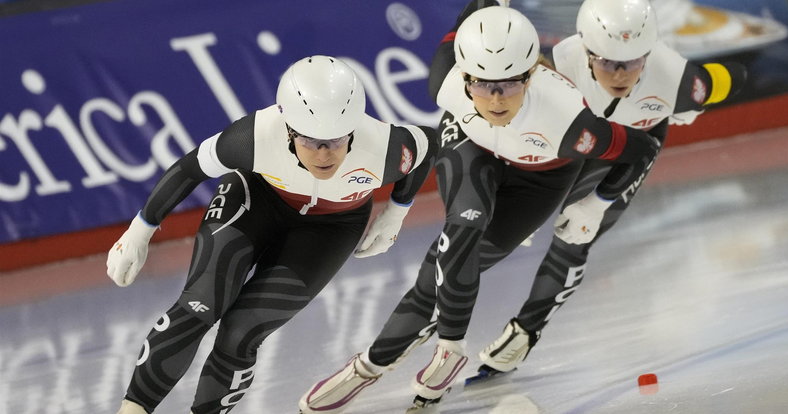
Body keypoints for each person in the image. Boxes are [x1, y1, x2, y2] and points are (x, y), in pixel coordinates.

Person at [298, 2, 665, 412]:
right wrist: (396, 212)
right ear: (464, 75)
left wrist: (595, 204)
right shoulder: (446, 81)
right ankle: (447, 351)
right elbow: (470, 20)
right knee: (461, 230)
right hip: (471, 147)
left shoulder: (570, 122)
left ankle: (371, 363)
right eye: (481, 84)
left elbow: (643, 150)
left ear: (530, 76)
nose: (493, 99)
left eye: (508, 84)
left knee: (432, 279)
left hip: (539, 179)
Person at [106, 55, 438, 414]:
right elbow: (189, 169)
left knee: (242, 331)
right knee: (200, 304)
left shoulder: (385, 147)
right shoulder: (254, 136)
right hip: (255, 200)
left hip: (331, 228)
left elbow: (430, 146)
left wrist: (396, 213)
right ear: (290, 129)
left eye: (337, 141)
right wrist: (139, 231)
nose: (325, 155)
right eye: (312, 141)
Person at [474, 0, 747, 380]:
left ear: (649, 53)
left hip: (631, 149)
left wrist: (598, 204)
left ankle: (525, 331)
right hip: (573, 142)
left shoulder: (679, 81)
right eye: (605, 62)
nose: (619, 75)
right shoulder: (558, 66)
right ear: (584, 50)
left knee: (576, 235)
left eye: (633, 62)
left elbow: (735, 75)